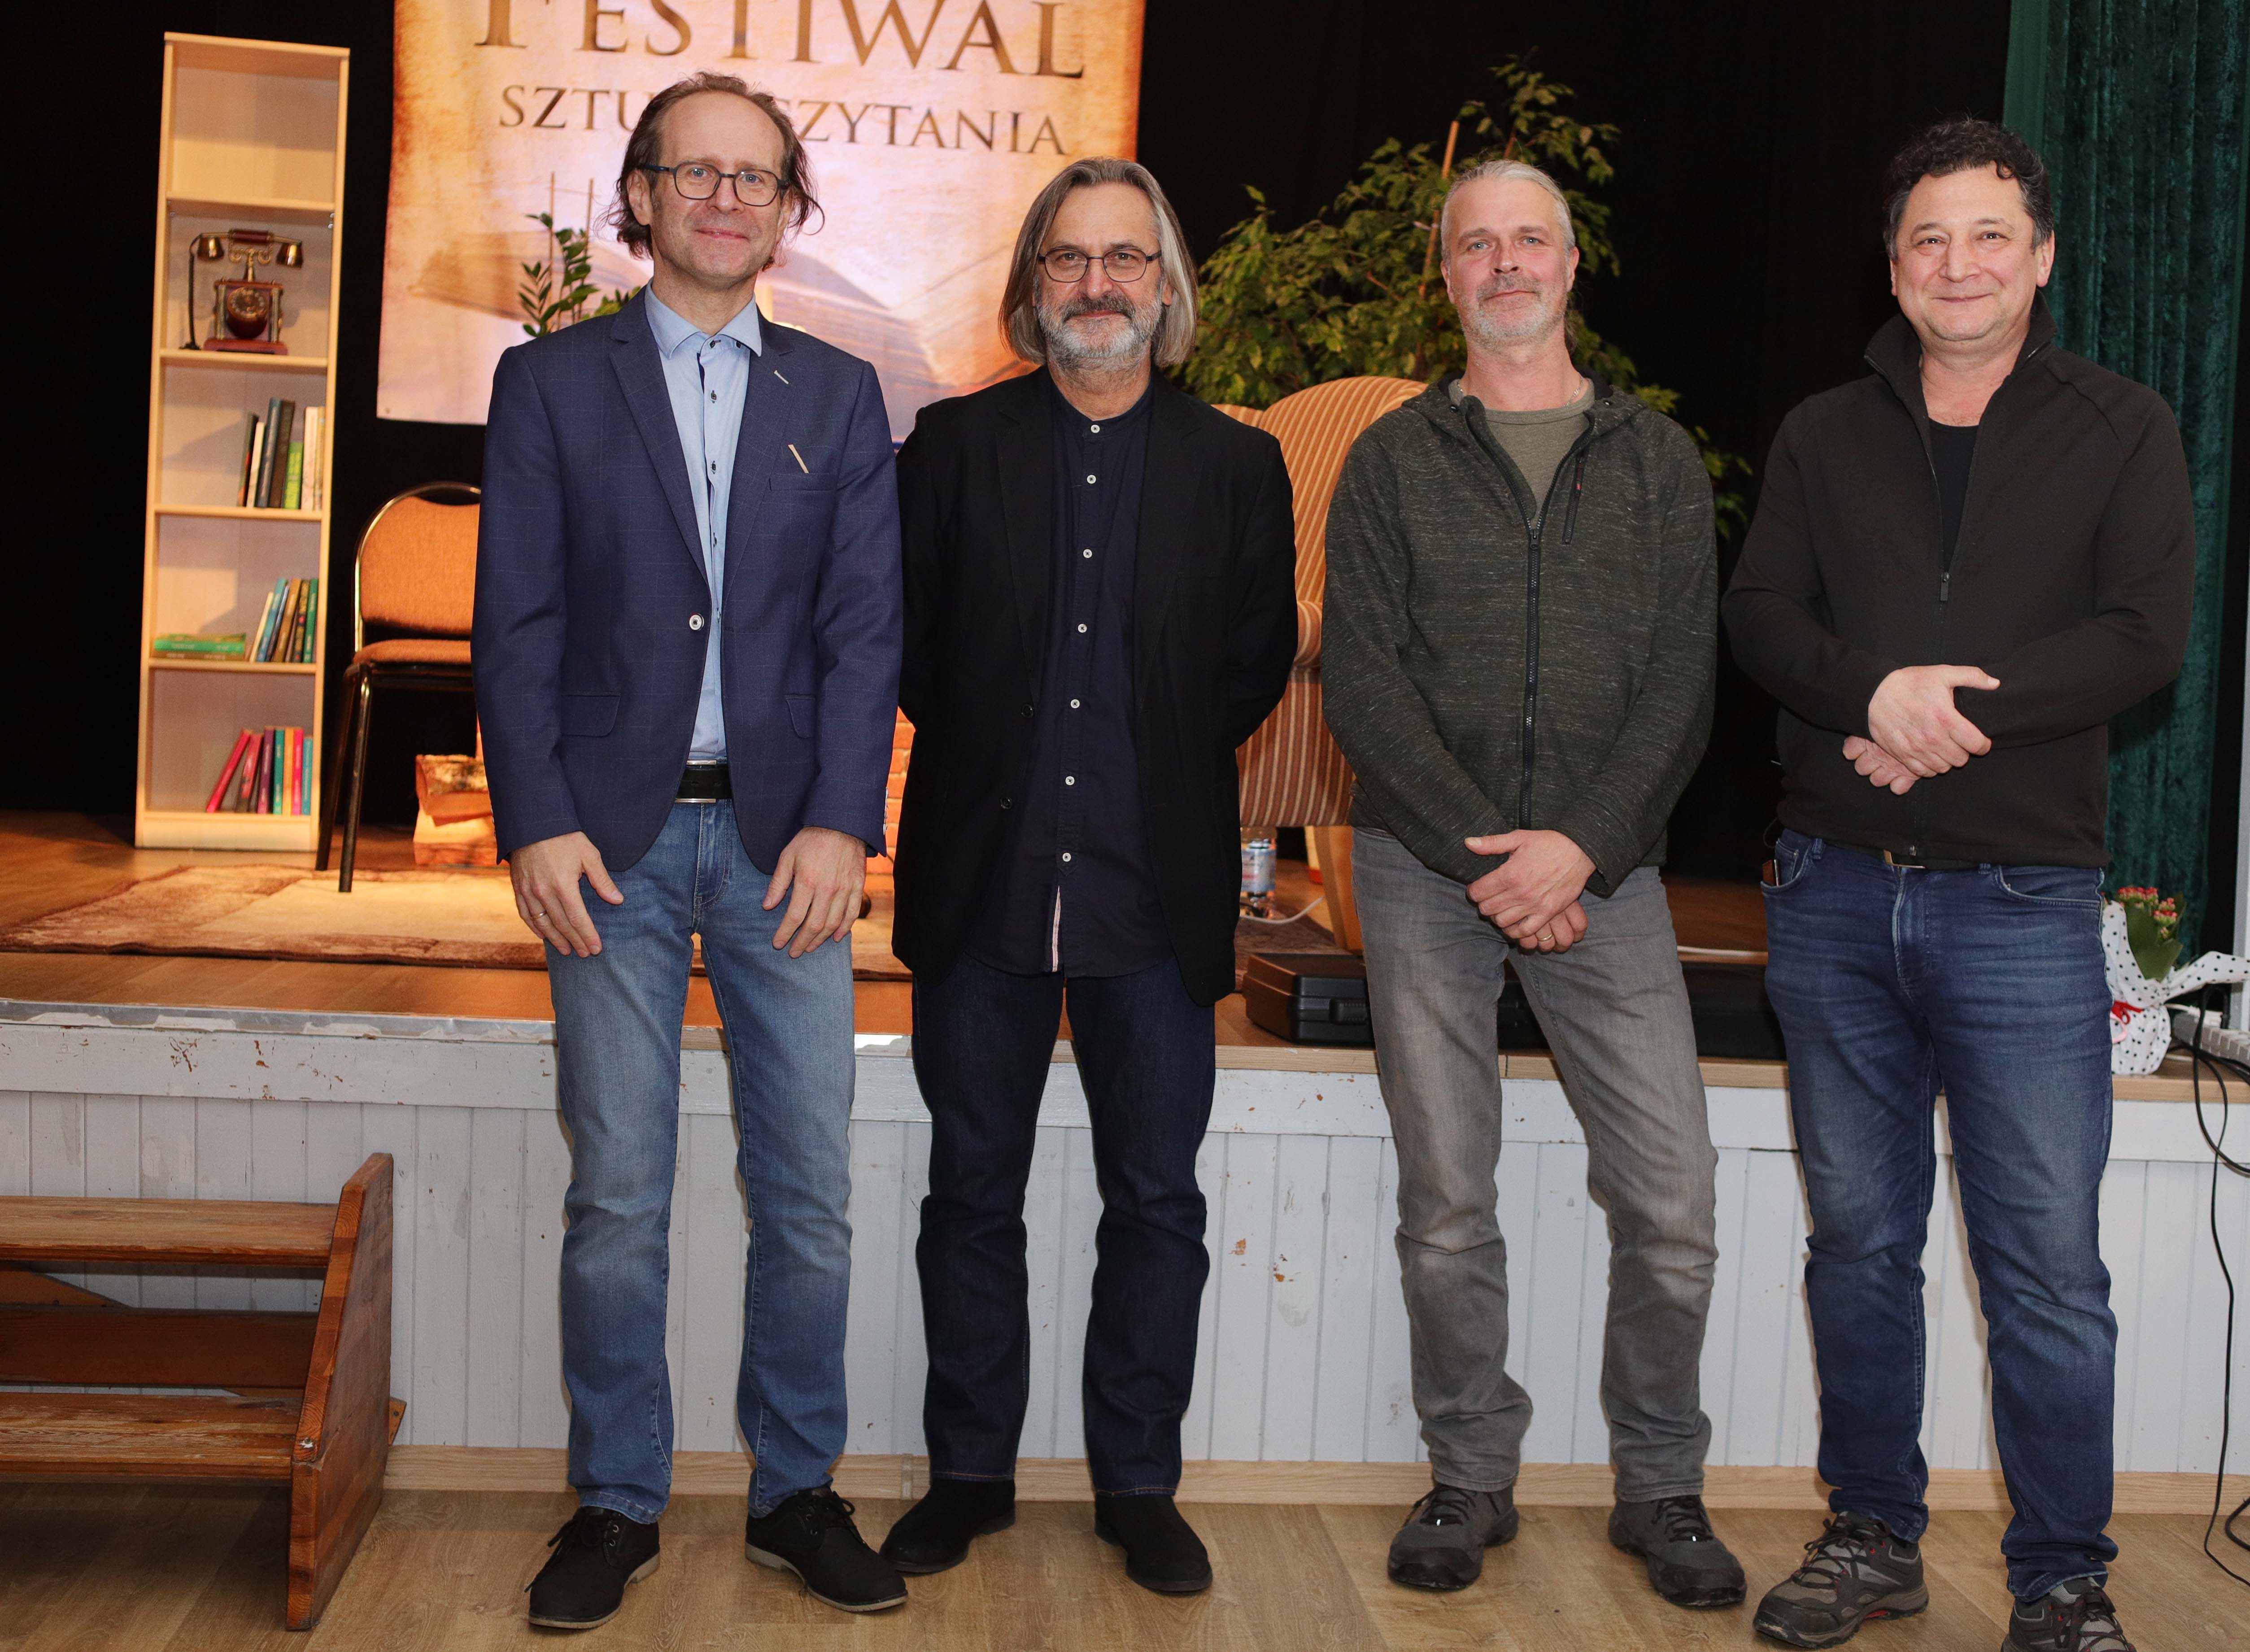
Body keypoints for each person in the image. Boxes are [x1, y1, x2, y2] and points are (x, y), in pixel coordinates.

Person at [1724, 118, 2192, 1652]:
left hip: (2024, 907)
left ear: (2041, 257)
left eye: (1991, 235)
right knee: (1859, 1246)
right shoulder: (1822, 434)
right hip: (1833, 892)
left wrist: (1949, 713)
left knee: (2045, 1266)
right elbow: (1763, 615)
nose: (1959, 263)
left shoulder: (2124, 426)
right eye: (1929, 237)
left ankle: (2062, 1580)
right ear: (1894, 265)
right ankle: (1873, 1535)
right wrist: (1875, 693)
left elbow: (2143, 635)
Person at [474, 72, 906, 1630]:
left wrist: (846, 817)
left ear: (789, 211)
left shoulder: (840, 396)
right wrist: (535, 818)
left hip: (793, 848)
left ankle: (795, 1492)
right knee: (618, 1191)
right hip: (611, 848)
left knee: (810, 1196)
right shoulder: (549, 384)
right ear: (642, 196)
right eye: (696, 172)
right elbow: (516, 623)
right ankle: (616, 1500)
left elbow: (865, 631)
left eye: (756, 177)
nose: (727, 198)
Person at [1321, 157, 1739, 1608]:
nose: (1505, 263)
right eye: (1477, 243)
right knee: (1447, 1199)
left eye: (1531, 241)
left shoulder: (1656, 459)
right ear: (1447, 275)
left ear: (1571, 265)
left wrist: (1582, 847)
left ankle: (1663, 1484)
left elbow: (1683, 684)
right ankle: (1470, 1475)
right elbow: (1363, 683)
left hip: (1605, 872)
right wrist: (1493, 853)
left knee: (1674, 1199)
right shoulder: (1391, 460)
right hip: (1424, 867)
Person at [881, 156, 1296, 1595]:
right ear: (1033, 286)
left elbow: (1249, 665)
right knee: (968, 1197)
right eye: (1071, 258)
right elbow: (914, 653)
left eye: (1127, 258)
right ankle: (968, 1476)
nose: (1099, 283)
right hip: (982, 887)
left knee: (1158, 1205)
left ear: (1166, 288)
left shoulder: (1238, 467)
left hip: (1153, 894)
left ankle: (1139, 1486)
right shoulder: (950, 448)